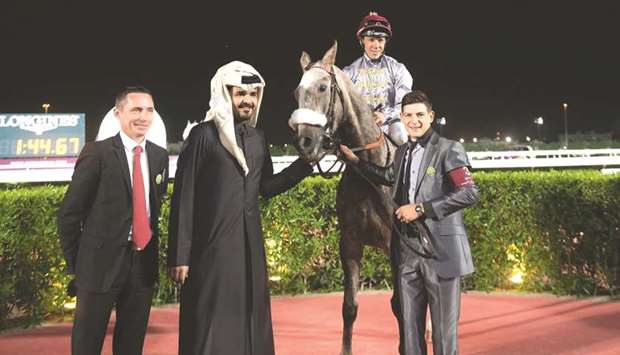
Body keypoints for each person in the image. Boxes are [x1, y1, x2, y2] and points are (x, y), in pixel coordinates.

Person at [167, 61, 313, 355]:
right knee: (210, 324)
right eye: (240, 93)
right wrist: (179, 255)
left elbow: (267, 188)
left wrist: (307, 163)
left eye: (253, 94)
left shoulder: (257, 138)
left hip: (250, 252)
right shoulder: (202, 136)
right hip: (211, 253)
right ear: (224, 94)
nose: (248, 100)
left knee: (251, 322)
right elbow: (184, 196)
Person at [340, 90, 479, 355]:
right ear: (401, 118)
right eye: (408, 116)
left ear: (431, 116)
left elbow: (469, 193)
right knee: (409, 335)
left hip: (441, 255)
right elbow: (386, 175)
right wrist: (355, 161)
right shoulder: (402, 151)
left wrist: (421, 209)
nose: (414, 121)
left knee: (443, 335)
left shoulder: (450, 149)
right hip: (407, 255)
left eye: (419, 115)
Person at [57, 86, 169, 355]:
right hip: (97, 268)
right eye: (136, 110)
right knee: (87, 344)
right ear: (119, 113)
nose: (143, 116)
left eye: (149, 110)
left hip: (141, 267)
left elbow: (155, 208)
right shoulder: (97, 153)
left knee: (131, 346)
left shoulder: (159, 156)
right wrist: (78, 266)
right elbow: (69, 214)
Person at [343, 11, 413, 146]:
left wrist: (385, 115)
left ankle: (411, 166)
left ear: (385, 42)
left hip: (391, 123)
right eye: (371, 40)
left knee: (401, 137)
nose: (376, 45)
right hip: (361, 125)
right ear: (362, 41)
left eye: (380, 40)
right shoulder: (349, 72)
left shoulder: (398, 69)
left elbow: (405, 102)